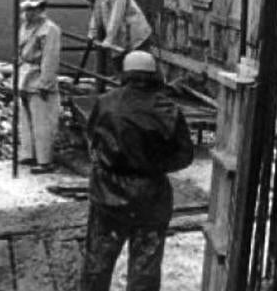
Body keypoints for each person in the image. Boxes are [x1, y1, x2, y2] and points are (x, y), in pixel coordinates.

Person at [80, 51, 194, 291]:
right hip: (151, 197)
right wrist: (153, 164)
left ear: (125, 74)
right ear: (153, 75)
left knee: (97, 263)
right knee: (146, 269)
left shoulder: (105, 103)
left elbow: (92, 139)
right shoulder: (169, 109)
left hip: (107, 194)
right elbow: (184, 156)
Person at [18, 0, 61, 174]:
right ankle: (29, 153)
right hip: (26, 75)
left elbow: (50, 58)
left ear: (41, 8)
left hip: (39, 77)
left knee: (42, 121)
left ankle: (45, 160)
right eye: (28, 9)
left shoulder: (50, 29)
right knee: (26, 119)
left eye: (33, 9)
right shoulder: (25, 27)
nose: (29, 12)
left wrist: (45, 83)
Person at [87, 0, 152, 74]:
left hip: (136, 36)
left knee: (136, 67)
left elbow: (116, 17)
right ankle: (123, 86)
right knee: (120, 65)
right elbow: (96, 14)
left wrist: (108, 40)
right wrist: (92, 33)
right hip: (121, 35)